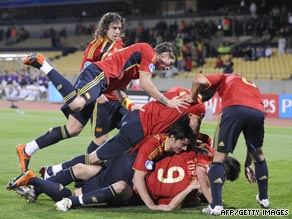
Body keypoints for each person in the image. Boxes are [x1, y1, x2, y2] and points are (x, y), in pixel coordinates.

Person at [15, 12, 131, 172]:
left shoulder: (119, 45)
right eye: (113, 28)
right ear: (105, 28)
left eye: (119, 28)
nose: (117, 32)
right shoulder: (96, 46)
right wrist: (97, 91)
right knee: (101, 138)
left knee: (73, 129)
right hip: (99, 96)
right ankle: (83, 176)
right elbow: (86, 68)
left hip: (113, 97)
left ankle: (29, 149)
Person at [7, 122, 199, 211]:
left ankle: (33, 186)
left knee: (81, 169)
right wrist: (150, 205)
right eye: (182, 144)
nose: (183, 149)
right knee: (75, 194)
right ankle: (34, 181)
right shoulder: (153, 144)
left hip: (116, 164)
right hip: (123, 174)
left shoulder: (163, 141)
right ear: (172, 137)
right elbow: (137, 177)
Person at [39, 87, 206, 179]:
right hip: (139, 129)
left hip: (135, 118)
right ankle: (53, 171)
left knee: (108, 157)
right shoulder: (199, 107)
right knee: (97, 157)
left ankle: (61, 172)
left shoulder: (179, 90)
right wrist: (194, 143)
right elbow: (193, 126)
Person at [189, 73, 269, 215]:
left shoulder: (223, 77)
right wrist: (247, 164)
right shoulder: (249, 83)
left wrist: (192, 99)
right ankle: (264, 198)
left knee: (218, 159)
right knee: (259, 155)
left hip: (234, 109)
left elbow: (199, 80)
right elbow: (250, 145)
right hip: (257, 111)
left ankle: (216, 206)